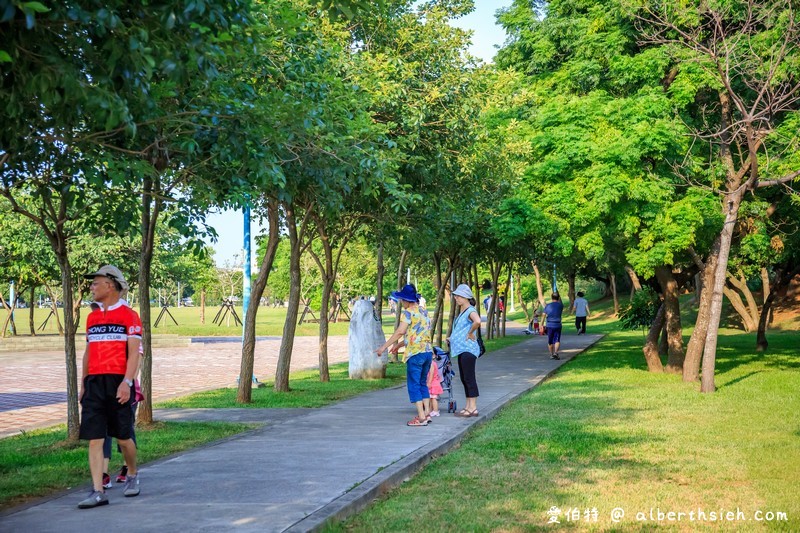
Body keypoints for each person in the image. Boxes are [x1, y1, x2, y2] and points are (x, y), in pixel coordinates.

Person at [77, 265, 142, 508]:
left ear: (111, 285)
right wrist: (84, 382)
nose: (92, 287)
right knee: (95, 438)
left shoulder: (130, 316)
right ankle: (97, 491)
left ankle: (133, 473)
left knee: (124, 438)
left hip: (118, 381)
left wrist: (127, 382)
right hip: (94, 382)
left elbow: (134, 354)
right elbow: (87, 353)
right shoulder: (92, 317)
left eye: (96, 283)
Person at [375, 284, 433, 427]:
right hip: (427, 352)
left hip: (415, 354)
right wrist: (399, 345)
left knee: (413, 385)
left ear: (407, 300)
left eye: (401, 299)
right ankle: (426, 414)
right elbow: (415, 334)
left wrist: (384, 347)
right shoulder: (424, 312)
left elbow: (401, 331)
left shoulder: (408, 313)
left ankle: (421, 418)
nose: (401, 302)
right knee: (422, 383)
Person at [449, 284, 482, 417]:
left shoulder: (470, 311)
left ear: (466, 297)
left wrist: (470, 332)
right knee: (464, 378)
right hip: (461, 350)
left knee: (469, 378)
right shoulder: (463, 312)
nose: (456, 298)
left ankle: (473, 407)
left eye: (459, 296)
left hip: (468, 350)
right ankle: (468, 405)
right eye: (455, 295)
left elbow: (478, 321)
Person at [541, 293, 564, 360]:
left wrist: (541, 325)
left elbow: (543, 315)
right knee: (557, 339)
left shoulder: (548, 306)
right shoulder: (561, 306)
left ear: (551, 298)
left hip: (549, 325)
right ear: (558, 298)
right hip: (558, 324)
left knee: (550, 341)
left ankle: (551, 354)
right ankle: (556, 353)